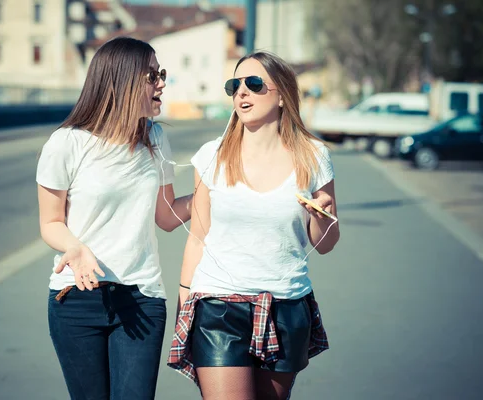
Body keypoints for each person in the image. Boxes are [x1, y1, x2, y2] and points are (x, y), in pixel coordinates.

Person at [167, 51, 340, 400]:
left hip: (286, 305)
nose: (241, 92)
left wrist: (322, 219)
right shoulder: (212, 155)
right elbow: (197, 237)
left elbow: (325, 243)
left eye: (254, 83)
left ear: (281, 95)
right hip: (218, 306)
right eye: (235, 85)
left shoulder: (313, 155)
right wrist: (185, 304)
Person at [36, 37, 192, 400]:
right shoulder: (66, 143)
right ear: (122, 80)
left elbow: (166, 216)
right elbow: (50, 223)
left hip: (142, 299)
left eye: (162, 74)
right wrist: (76, 249)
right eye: (153, 75)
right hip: (75, 301)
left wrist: (216, 191)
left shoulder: (155, 139)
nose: (162, 83)